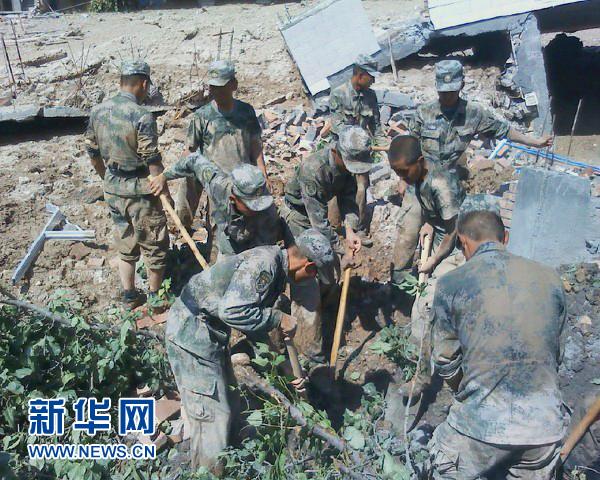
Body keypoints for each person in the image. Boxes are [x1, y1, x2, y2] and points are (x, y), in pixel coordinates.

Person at [165, 229, 336, 472]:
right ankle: (208, 472)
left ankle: (232, 464)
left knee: (233, 403)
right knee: (213, 417)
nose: (312, 280)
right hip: (190, 336)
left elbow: (253, 325)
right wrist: (278, 318)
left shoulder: (276, 269)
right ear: (308, 266)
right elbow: (232, 312)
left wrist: (284, 366)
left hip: (209, 335)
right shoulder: (265, 265)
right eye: (315, 274)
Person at [429, 210, 569, 479]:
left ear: (463, 242)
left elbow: (445, 360)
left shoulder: (452, 282)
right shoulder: (550, 277)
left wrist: (467, 392)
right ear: (505, 237)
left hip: (479, 428)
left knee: (444, 463)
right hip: (544, 430)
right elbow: (555, 353)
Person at [281, 125, 372, 360]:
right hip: (299, 217)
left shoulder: (345, 168)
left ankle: (326, 308)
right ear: (336, 152)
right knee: (310, 275)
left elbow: (348, 198)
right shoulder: (314, 170)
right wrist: (342, 251)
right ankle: (308, 345)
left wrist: (350, 230)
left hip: (317, 217)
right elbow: (318, 223)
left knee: (329, 269)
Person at [85, 60, 169, 309]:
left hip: (113, 186)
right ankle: (155, 298)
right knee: (154, 243)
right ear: (143, 83)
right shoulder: (141, 115)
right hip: (141, 189)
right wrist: (163, 190)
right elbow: (151, 158)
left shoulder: (98, 111)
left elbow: (93, 153)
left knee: (125, 241)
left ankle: (129, 296)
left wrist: (107, 178)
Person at [388, 135, 465, 399]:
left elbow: (455, 230)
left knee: (423, 309)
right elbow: (436, 216)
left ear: (420, 161)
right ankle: (418, 367)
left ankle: (422, 379)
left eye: (403, 172)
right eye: (396, 172)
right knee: (422, 307)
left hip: (456, 250)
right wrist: (429, 224)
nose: (401, 178)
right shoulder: (418, 178)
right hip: (439, 241)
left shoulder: (441, 184)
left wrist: (433, 260)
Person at [409, 59, 553, 177]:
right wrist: (404, 179)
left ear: (462, 86)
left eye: (452, 91)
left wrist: (534, 142)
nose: (447, 96)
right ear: (436, 87)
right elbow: (409, 148)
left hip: (450, 182)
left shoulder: (474, 113)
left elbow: (504, 130)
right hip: (423, 178)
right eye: (443, 92)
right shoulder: (423, 112)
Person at [176, 60, 267, 232]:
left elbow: (255, 145)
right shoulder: (202, 116)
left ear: (233, 85)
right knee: (219, 227)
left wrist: (262, 172)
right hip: (216, 181)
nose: (216, 92)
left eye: (221, 87)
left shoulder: (246, 112)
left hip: (243, 181)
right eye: (213, 87)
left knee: (246, 225)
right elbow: (190, 150)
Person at [150, 153, 292, 256]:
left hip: (253, 237)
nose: (257, 208)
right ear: (234, 198)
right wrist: (164, 176)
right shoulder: (218, 185)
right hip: (227, 227)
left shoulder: (267, 212)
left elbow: (264, 251)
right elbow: (193, 160)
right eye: (251, 205)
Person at [328, 54, 385, 245]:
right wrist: (355, 142)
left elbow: (376, 126)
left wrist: (385, 146)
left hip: (361, 154)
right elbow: (337, 126)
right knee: (337, 188)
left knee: (361, 187)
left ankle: (359, 228)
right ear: (360, 75)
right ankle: (335, 229)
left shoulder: (371, 96)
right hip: (341, 153)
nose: (373, 81)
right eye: (371, 77)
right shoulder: (339, 94)